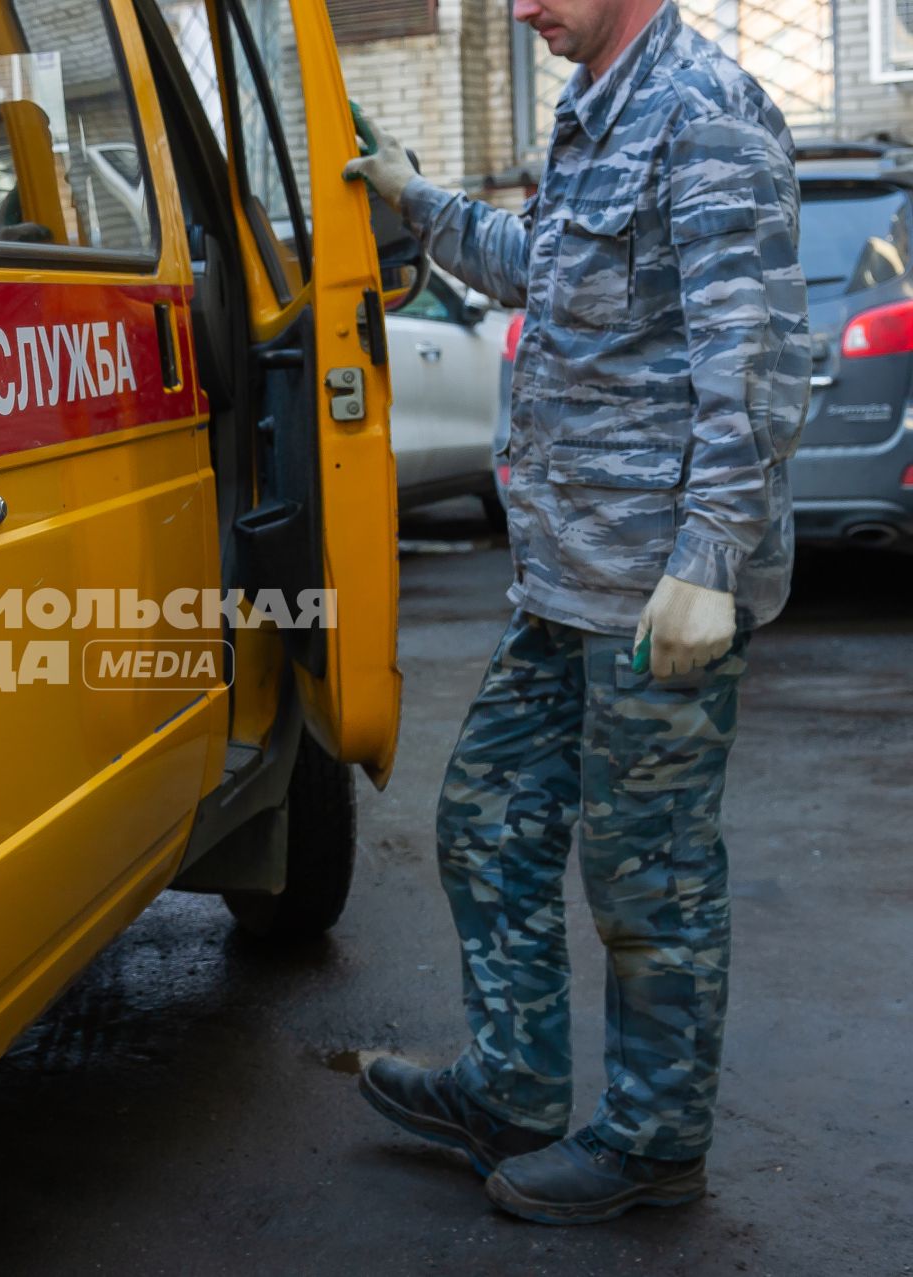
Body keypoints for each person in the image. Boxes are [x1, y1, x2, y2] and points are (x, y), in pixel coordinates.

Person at [342, 0, 810, 1226]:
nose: (522, 9)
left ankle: (656, 1144)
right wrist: (420, 203)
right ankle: (512, 1088)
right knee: (487, 822)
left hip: (658, 594)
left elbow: (754, 356)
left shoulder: (703, 113)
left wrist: (712, 557)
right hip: (565, 578)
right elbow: (547, 272)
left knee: (647, 879)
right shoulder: (593, 108)